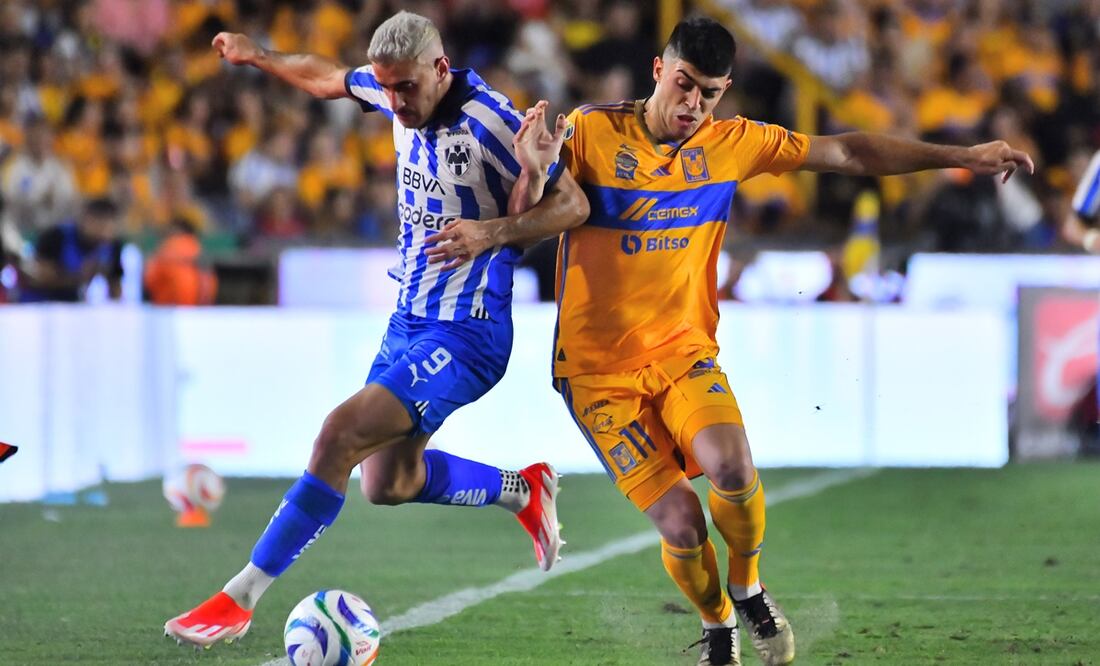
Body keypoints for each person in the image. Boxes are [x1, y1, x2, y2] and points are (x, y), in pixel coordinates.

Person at [425, 17, 1033, 666]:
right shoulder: (591, 131)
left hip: (684, 352)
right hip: (597, 373)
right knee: (683, 522)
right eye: (684, 85)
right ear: (659, 70)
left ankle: (747, 586)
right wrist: (536, 171)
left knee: (734, 468)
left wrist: (960, 157)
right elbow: (530, 216)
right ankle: (718, 626)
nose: (693, 104)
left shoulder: (734, 142)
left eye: (709, 93)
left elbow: (847, 153)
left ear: (725, 92)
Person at [164, 11, 589, 649]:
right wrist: (259, 57)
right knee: (386, 483)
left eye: (406, 88)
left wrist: (491, 231)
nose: (394, 102)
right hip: (409, 319)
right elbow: (328, 78)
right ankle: (521, 488)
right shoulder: (392, 90)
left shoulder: (494, 122)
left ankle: (239, 596)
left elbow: (574, 205)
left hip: (467, 332)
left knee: (338, 434)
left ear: (440, 69)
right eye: (386, 89)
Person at [19, 197, 125, 303]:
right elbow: (38, 279)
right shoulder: (57, 236)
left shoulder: (112, 246)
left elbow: (115, 287)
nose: (105, 232)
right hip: (39, 303)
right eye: (101, 225)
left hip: (74, 305)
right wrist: (79, 276)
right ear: (87, 219)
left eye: (109, 227)